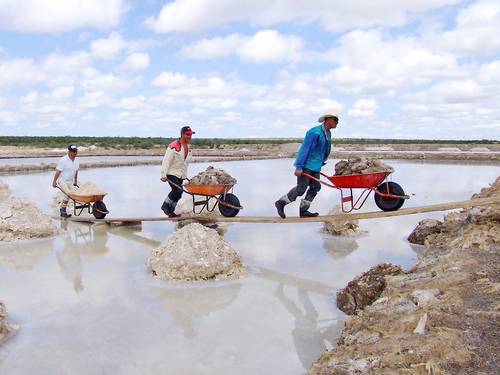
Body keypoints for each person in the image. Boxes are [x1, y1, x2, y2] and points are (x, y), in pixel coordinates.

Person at [274, 109, 340, 218]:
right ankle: (281, 203)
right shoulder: (315, 132)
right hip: (307, 165)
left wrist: (321, 161)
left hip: (316, 166)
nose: (337, 122)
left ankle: (303, 211)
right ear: (327, 120)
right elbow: (305, 149)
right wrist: (299, 166)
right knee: (301, 189)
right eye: (335, 120)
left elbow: (324, 149)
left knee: (315, 187)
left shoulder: (328, 133)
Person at [160, 126, 195, 217]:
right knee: (178, 191)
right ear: (182, 134)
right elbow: (166, 160)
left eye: (191, 135)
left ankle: (171, 211)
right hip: (172, 173)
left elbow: (185, 162)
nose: (190, 136)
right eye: (188, 135)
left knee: (179, 193)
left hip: (181, 175)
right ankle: (165, 206)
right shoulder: (173, 146)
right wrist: (163, 174)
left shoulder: (188, 147)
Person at [52, 144, 80, 218]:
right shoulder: (63, 160)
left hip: (70, 181)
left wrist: (75, 181)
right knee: (68, 194)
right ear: (69, 152)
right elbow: (58, 171)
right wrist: (54, 182)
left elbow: (76, 171)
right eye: (73, 151)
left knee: (68, 196)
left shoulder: (77, 160)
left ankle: (62, 210)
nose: (75, 153)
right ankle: (62, 210)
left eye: (76, 151)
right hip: (62, 181)